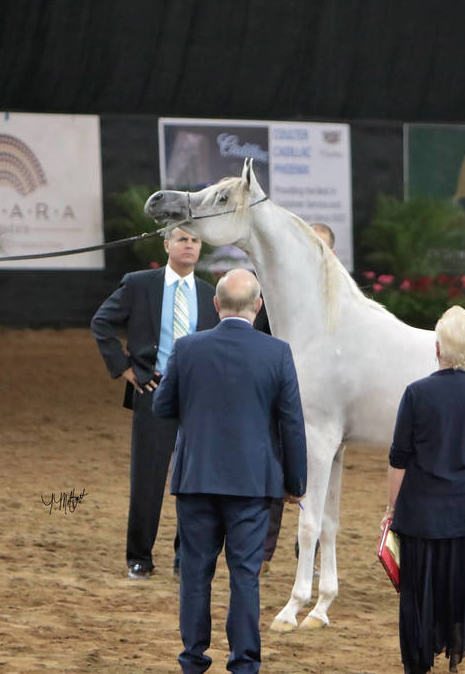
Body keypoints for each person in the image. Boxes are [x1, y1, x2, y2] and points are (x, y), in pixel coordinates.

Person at [153, 269, 308, 674]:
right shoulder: (277, 352)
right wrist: (296, 482)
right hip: (253, 482)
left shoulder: (187, 348)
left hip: (197, 478)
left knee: (195, 574)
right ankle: (243, 663)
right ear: (258, 306)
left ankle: (192, 659)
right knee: (245, 576)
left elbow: (162, 407)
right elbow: (292, 422)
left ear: (216, 304)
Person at [381, 306, 465, 674]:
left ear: (438, 348)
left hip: (423, 518)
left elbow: (399, 458)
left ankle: (418, 665)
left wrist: (392, 510)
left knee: (420, 600)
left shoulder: (416, 393)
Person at [91, 226, 220, 580]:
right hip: (153, 390)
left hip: (198, 398)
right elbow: (101, 322)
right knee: (147, 479)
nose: (189, 245)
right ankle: (139, 558)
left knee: (195, 480)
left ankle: (186, 557)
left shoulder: (210, 294)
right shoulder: (139, 284)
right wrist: (125, 369)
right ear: (166, 244)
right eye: (182, 239)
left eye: (194, 240)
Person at [261, 222, 335, 572]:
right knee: (275, 469)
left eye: (321, 247)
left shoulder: (344, 297)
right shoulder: (279, 292)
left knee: (321, 474)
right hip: (282, 393)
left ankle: (311, 552)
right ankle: (262, 553)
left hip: (325, 402)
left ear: (332, 253)